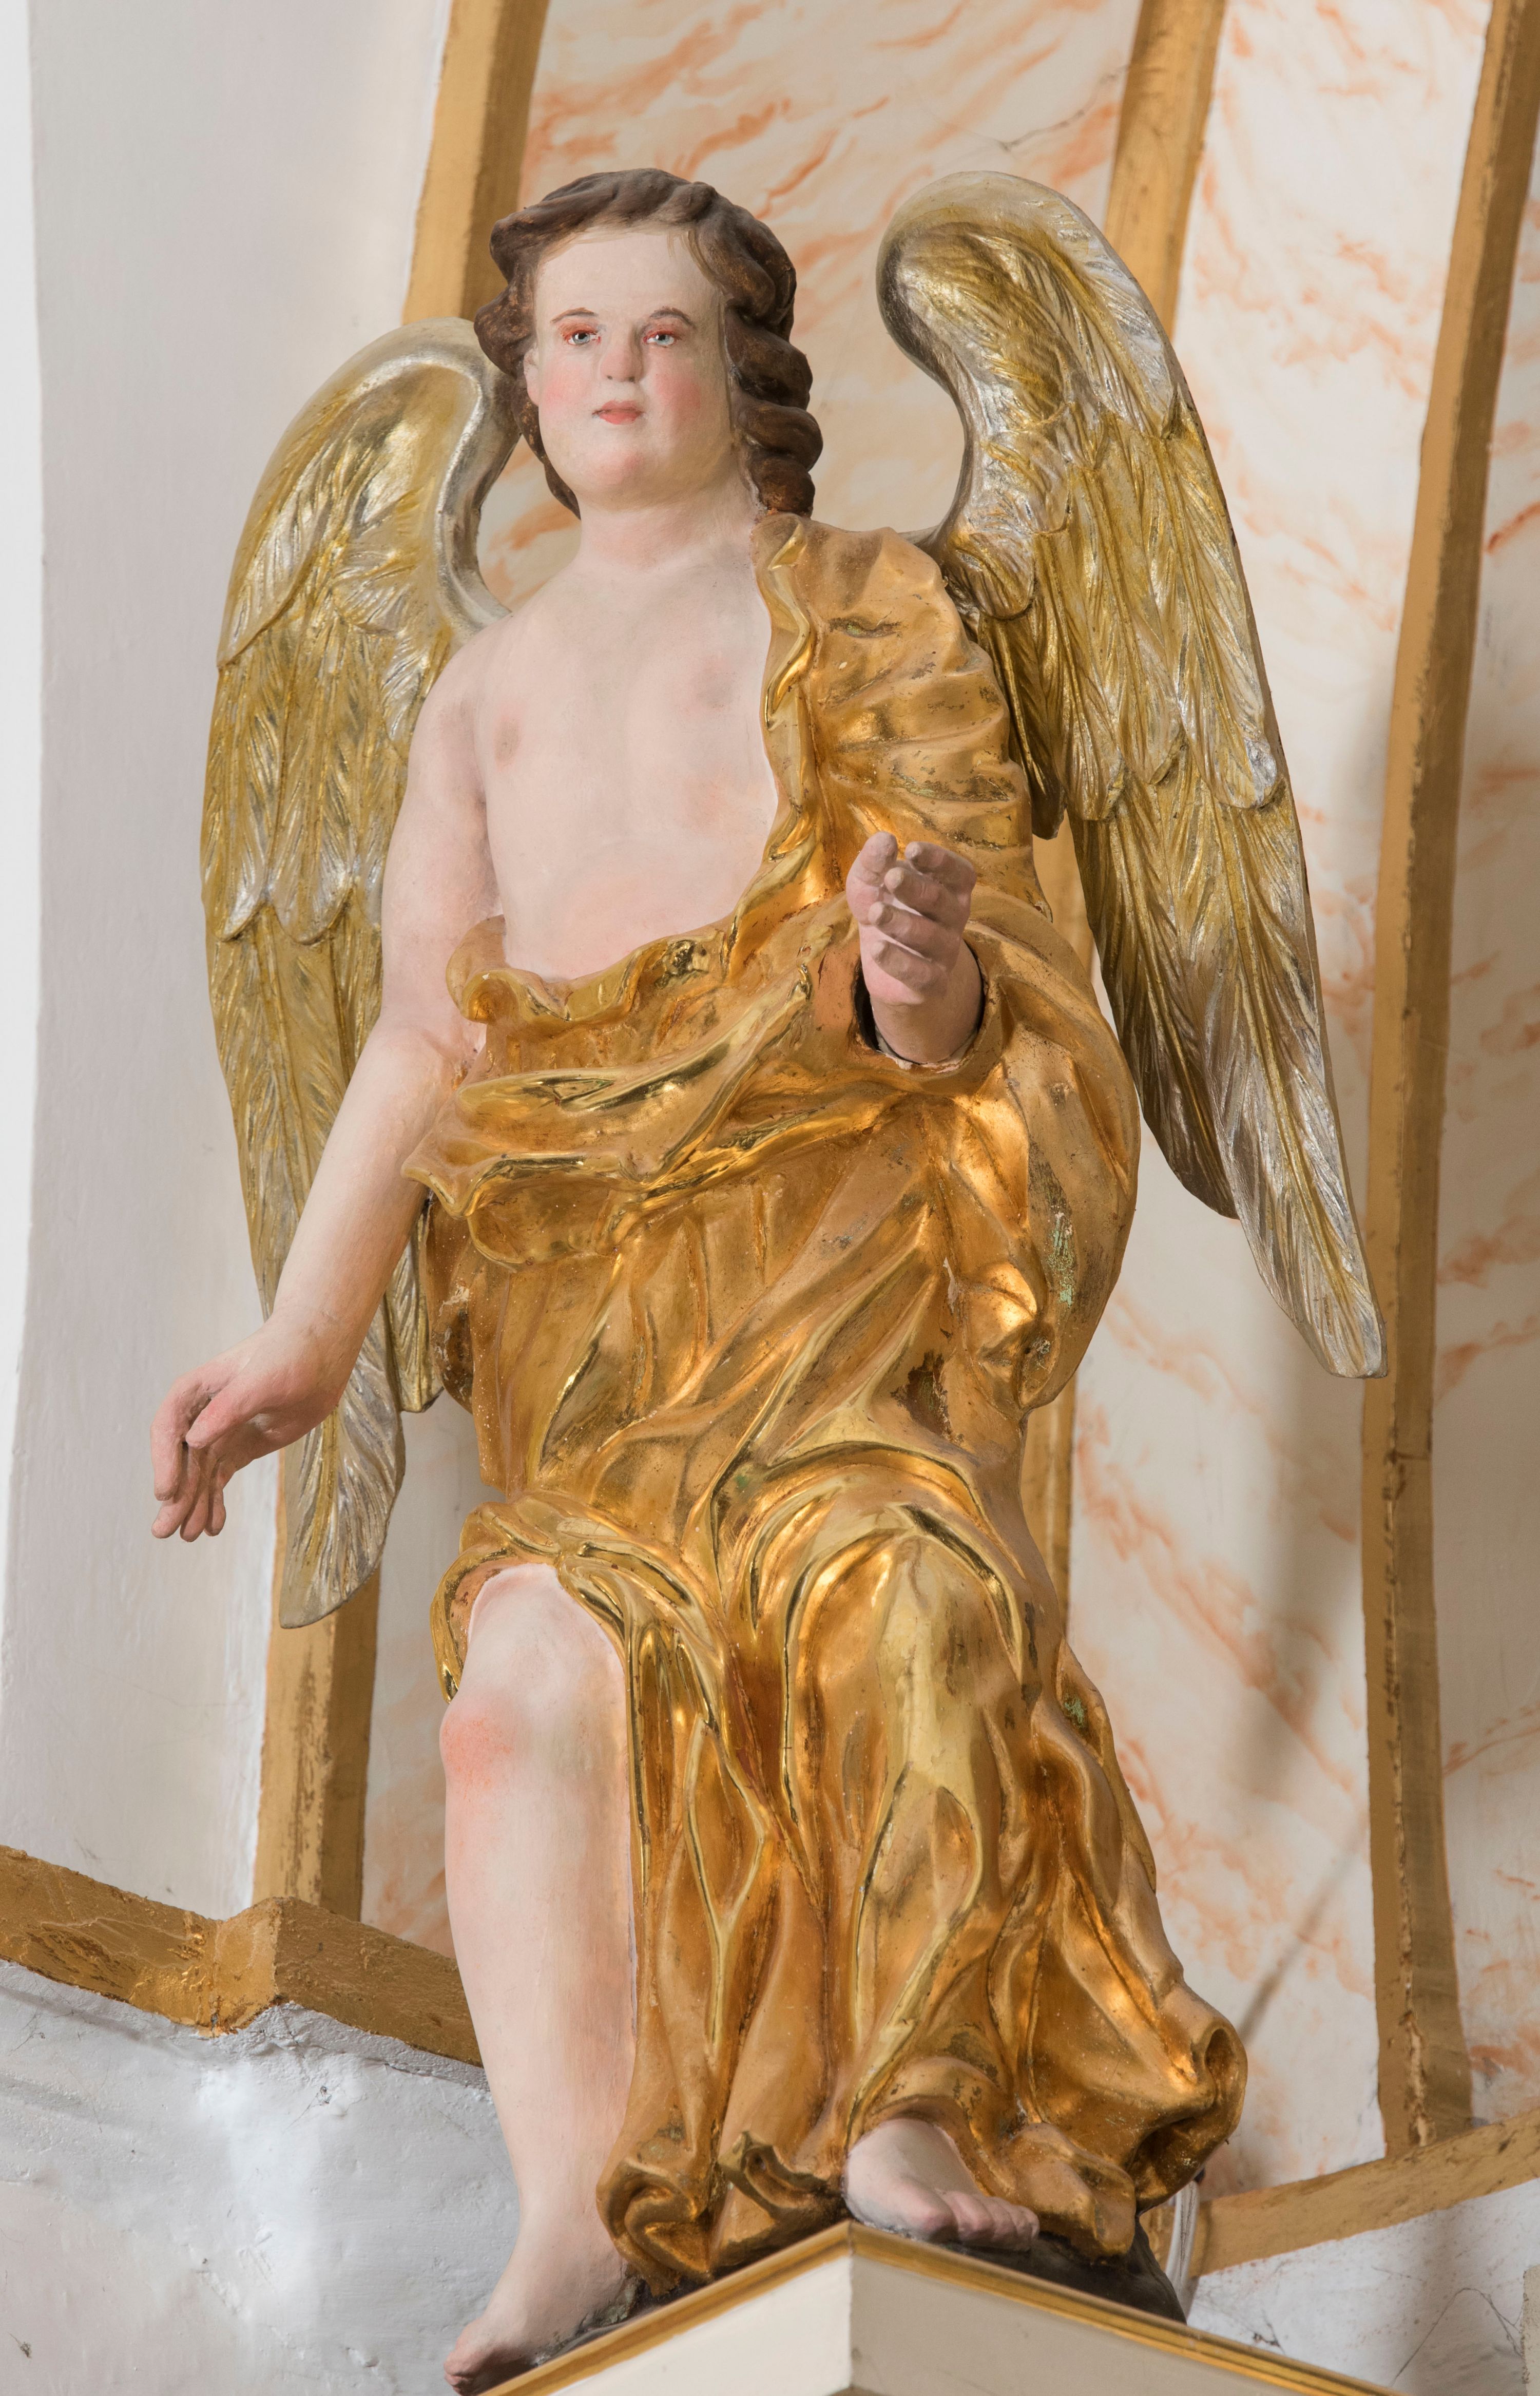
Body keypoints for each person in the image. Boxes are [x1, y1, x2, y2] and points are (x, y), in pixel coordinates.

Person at [152, 169, 1242, 2393]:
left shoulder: (870, 605)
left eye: (662, 333)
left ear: (747, 371)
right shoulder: (477, 693)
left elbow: (978, 958)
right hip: (585, 1295)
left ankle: (915, 2103)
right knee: (518, 1689)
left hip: (824, 1256)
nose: (616, 374)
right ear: (524, 384)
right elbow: (420, 1041)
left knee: (902, 1597)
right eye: (573, 339)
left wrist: (920, 983)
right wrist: (305, 1337)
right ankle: (571, 2210)